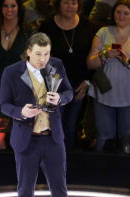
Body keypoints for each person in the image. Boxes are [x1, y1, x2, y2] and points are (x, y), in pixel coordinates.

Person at [0, 32, 73, 197]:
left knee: (60, 189)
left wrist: (61, 99)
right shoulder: (11, 72)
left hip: (53, 139)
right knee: (25, 190)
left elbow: (69, 91)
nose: (43, 59)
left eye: (47, 54)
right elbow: (3, 105)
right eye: (39, 54)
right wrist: (20, 111)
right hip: (27, 140)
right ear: (28, 52)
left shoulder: (56, 65)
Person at [86, 0, 130, 151]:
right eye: (118, 12)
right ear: (112, 13)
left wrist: (128, 61)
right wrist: (104, 55)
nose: (121, 16)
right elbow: (90, 63)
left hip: (129, 97)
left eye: (126, 13)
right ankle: (100, 170)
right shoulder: (103, 32)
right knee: (103, 137)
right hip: (104, 95)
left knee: (127, 138)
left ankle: (126, 172)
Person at [39, 0, 96, 151]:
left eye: (74, 3)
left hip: (78, 87)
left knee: (71, 128)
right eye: (66, 2)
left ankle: (68, 165)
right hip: (53, 86)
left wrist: (88, 82)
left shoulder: (88, 25)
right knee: (54, 128)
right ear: (58, 4)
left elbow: (93, 57)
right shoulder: (47, 26)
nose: (70, 6)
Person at [0, 0, 32, 149]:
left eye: (13, 5)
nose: (9, 10)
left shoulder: (27, 30)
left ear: (19, 8)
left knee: (20, 137)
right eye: (5, 6)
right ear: (0, 9)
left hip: (21, 90)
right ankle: (1, 170)